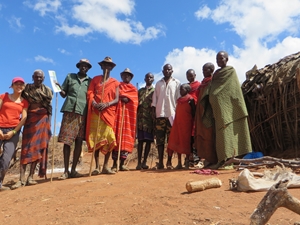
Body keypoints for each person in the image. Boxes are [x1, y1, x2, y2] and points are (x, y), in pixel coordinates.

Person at [203, 51, 252, 169]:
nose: (219, 61)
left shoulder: (231, 71)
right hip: (218, 109)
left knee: (232, 133)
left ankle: (234, 158)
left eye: (221, 58)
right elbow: (213, 89)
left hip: (231, 108)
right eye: (217, 59)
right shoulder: (216, 74)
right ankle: (223, 158)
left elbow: (233, 90)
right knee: (222, 135)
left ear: (227, 59)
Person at [12, 70, 53, 189]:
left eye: (41, 77)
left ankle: (30, 177)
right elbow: (21, 103)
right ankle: (21, 178)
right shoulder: (27, 89)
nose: (39, 79)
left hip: (43, 120)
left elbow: (49, 107)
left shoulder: (48, 91)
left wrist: (49, 123)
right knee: (26, 148)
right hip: (30, 120)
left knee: (38, 148)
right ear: (32, 77)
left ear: (43, 78)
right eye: (36, 77)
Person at [56, 59, 92, 179]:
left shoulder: (90, 81)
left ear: (88, 68)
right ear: (79, 66)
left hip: (83, 113)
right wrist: (58, 88)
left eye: (86, 66)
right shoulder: (70, 77)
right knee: (67, 141)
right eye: (82, 65)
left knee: (79, 141)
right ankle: (65, 171)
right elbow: (64, 94)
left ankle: (74, 170)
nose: (84, 67)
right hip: (70, 111)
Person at [86, 56, 119, 175]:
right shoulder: (95, 79)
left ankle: (106, 166)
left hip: (108, 112)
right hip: (96, 112)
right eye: (105, 65)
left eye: (109, 65)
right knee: (96, 139)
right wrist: (94, 103)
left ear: (111, 68)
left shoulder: (115, 82)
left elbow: (116, 99)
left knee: (109, 138)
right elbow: (90, 92)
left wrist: (106, 104)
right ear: (101, 66)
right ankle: (96, 166)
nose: (106, 67)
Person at [0, 77, 28, 191]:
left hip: (13, 131)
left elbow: (24, 118)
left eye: (21, 84)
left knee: (6, 159)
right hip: (0, 127)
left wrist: (14, 131)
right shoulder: (4, 96)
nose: (19, 86)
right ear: (12, 85)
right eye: (17, 84)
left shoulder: (24, 102)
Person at [151, 64, 181, 169]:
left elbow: (179, 99)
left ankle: (169, 162)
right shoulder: (158, 84)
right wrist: (154, 113)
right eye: (165, 69)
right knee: (160, 140)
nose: (167, 71)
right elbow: (155, 99)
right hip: (160, 115)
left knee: (171, 140)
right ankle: (160, 162)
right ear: (163, 71)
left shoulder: (177, 83)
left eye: (169, 69)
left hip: (172, 115)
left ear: (172, 71)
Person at [112, 68, 138, 171]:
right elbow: (113, 97)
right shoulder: (117, 86)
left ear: (131, 77)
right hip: (118, 116)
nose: (126, 77)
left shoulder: (133, 89)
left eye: (128, 75)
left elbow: (135, 102)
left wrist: (128, 99)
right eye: (124, 75)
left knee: (125, 139)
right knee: (115, 138)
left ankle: (122, 164)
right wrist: (120, 98)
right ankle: (114, 164)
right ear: (121, 76)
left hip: (128, 118)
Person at [166, 84, 196, 169]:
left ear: (187, 90)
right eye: (180, 89)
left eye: (182, 89)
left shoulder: (190, 100)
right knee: (177, 141)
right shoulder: (178, 100)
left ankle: (186, 161)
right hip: (177, 124)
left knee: (186, 142)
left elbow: (194, 113)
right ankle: (179, 162)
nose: (180, 91)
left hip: (187, 124)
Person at [194, 63, 218, 167]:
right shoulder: (203, 83)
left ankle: (213, 158)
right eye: (202, 70)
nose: (203, 72)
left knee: (210, 135)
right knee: (202, 135)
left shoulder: (213, 81)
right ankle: (205, 158)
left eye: (205, 70)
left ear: (211, 70)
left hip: (208, 112)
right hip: (200, 111)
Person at [136, 73, 155, 170]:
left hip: (150, 120)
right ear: (145, 78)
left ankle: (144, 162)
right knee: (140, 141)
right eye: (147, 77)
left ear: (153, 79)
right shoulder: (140, 91)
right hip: (140, 119)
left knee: (148, 142)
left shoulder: (155, 91)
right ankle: (138, 162)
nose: (149, 78)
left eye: (151, 77)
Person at [186, 69, 201, 167]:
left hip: (196, 112)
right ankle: (189, 159)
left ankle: (197, 159)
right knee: (188, 136)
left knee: (196, 135)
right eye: (188, 76)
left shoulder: (198, 85)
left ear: (195, 75)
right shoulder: (186, 87)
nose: (190, 77)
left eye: (191, 75)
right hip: (187, 114)